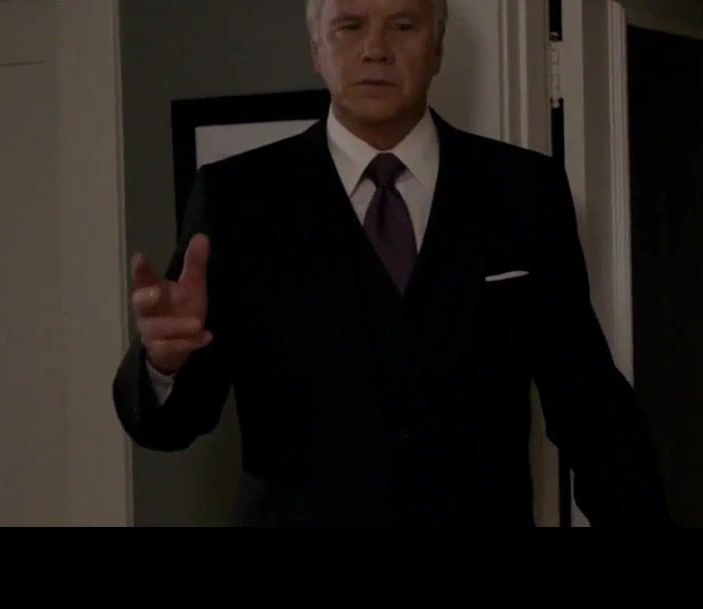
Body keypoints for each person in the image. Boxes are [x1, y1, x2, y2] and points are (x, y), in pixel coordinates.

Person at [112, 0, 670, 527]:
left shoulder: (523, 191)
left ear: (438, 46)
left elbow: (589, 405)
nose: (375, 49)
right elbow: (173, 426)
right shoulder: (237, 199)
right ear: (316, 47)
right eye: (350, 26)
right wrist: (165, 363)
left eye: (403, 25)